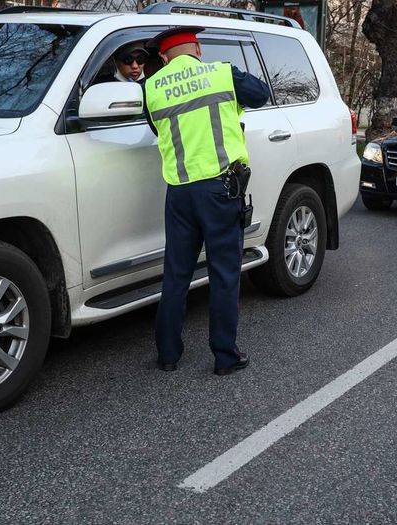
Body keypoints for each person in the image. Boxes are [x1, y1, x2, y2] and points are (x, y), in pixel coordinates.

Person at [143, 26, 270, 376]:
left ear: (165, 57)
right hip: (219, 189)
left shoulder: (151, 87)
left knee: (176, 274)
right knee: (224, 274)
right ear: (197, 49)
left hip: (180, 192)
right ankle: (225, 357)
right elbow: (260, 94)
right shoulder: (221, 73)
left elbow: (158, 130)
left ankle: (168, 355)